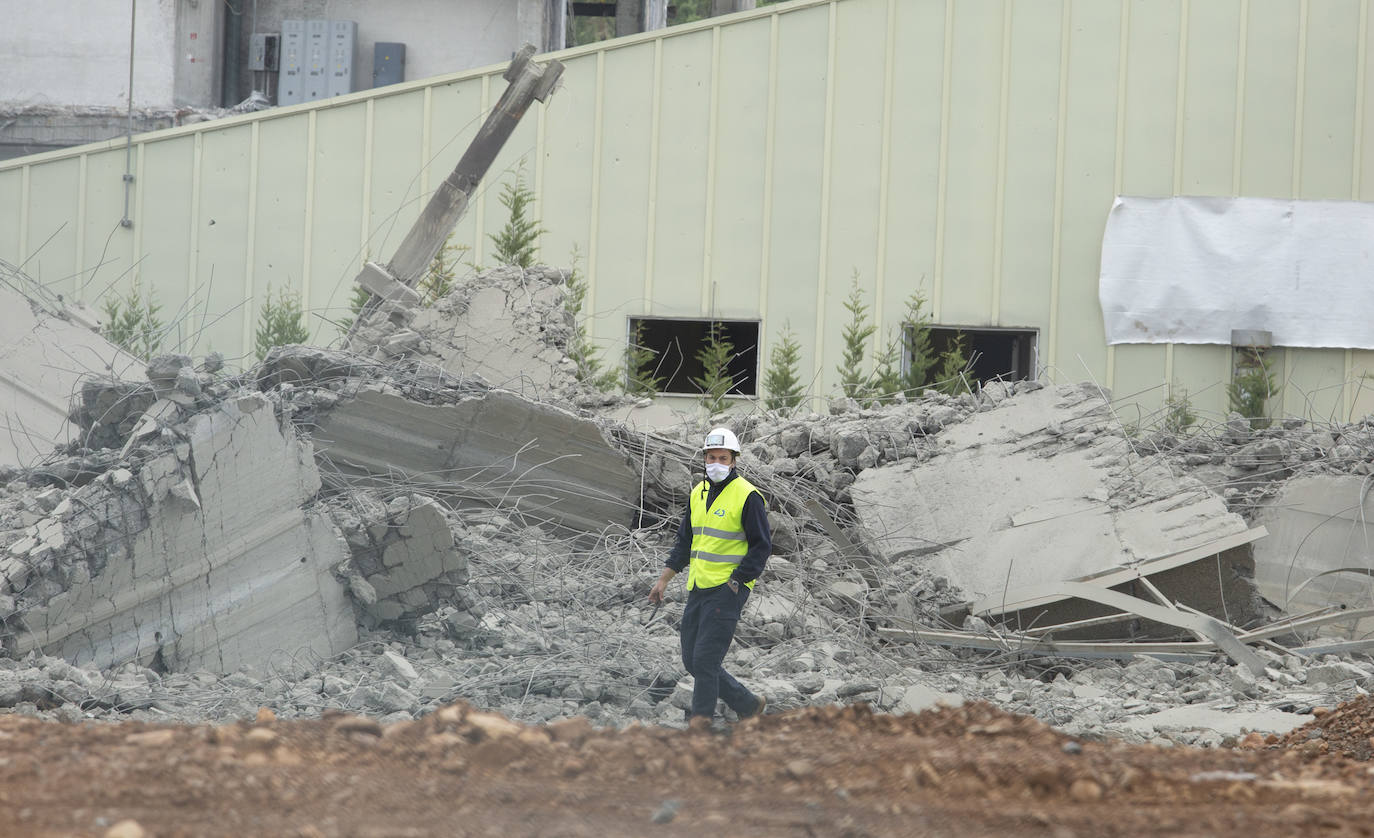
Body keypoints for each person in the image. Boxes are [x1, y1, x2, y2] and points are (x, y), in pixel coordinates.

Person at [648, 427, 771, 727]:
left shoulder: (748, 496)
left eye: (723, 457)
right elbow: (684, 542)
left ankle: (700, 728)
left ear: (733, 461)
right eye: (711, 457)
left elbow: (761, 546)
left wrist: (737, 580)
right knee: (692, 660)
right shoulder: (697, 494)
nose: (717, 462)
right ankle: (747, 703)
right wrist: (664, 579)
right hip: (699, 585)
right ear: (704, 458)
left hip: (728, 589)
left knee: (705, 660)